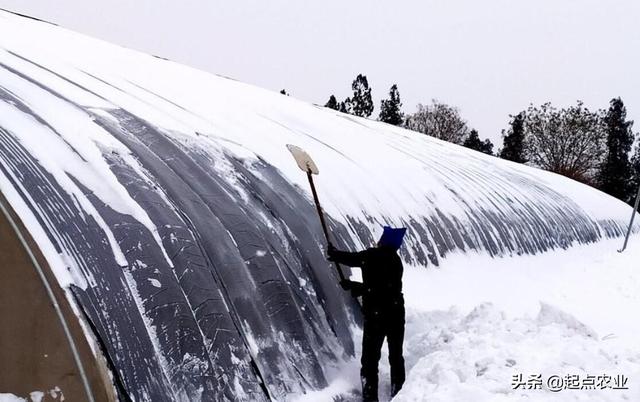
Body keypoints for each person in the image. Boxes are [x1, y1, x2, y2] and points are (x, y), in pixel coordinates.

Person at [327, 226, 407, 402]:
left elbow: (352, 259)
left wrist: (334, 254)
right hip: (396, 314)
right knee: (396, 356)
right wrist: (357, 286)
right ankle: (399, 394)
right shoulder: (396, 261)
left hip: (377, 315)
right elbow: (385, 288)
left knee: (370, 361)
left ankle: (370, 398)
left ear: (383, 241)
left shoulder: (371, 256)